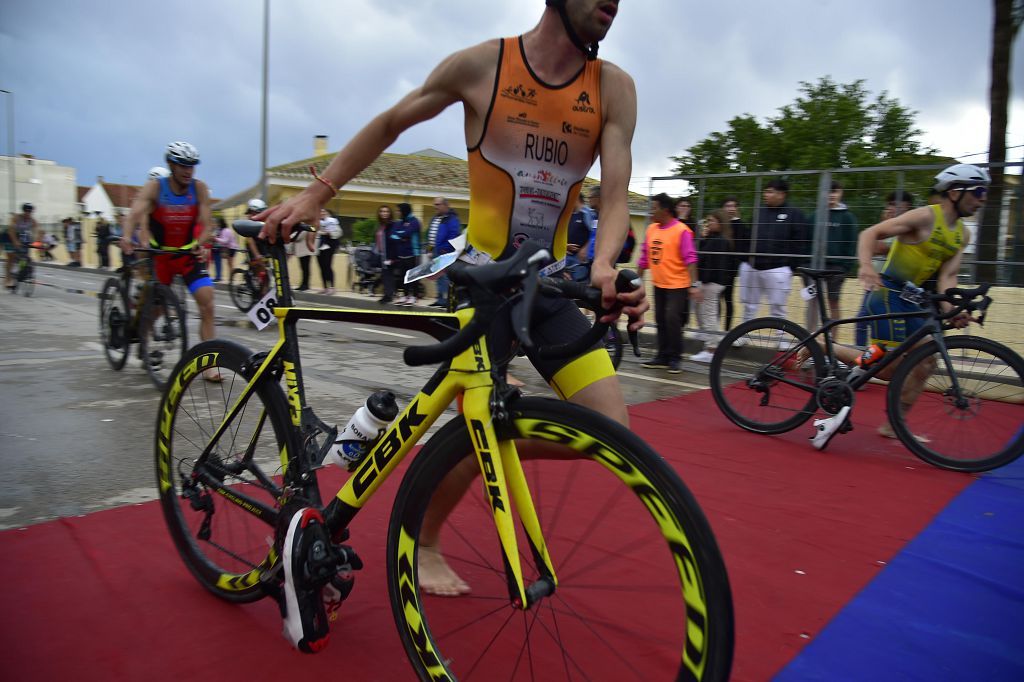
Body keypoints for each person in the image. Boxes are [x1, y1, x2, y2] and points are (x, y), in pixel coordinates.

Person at [256, 0, 646, 652]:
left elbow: (615, 188)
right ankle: (428, 539)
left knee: (609, 431)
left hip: (546, 285)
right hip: (483, 283)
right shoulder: (483, 65)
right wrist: (316, 194)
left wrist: (605, 263)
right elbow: (390, 122)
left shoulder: (614, 89)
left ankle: (475, 445)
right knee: (481, 416)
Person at [812, 164, 990, 446]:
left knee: (926, 361)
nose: (983, 199)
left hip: (913, 298)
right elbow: (869, 234)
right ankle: (825, 346)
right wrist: (867, 267)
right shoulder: (923, 217)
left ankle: (894, 425)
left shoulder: (962, 235)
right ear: (956, 192)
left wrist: (952, 310)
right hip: (887, 292)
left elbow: (947, 277)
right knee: (888, 368)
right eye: (979, 192)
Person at [121, 142, 219, 379]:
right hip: (161, 257)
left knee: (208, 304)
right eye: (183, 165)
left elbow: (208, 225)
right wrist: (126, 237)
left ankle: (208, 365)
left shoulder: (200, 189)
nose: (188, 171)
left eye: (192, 166)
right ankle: (142, 341)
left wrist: (202, 242)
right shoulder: (155, 188)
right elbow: (135, 214)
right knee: (155, 310)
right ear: (171, 165)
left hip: (187, 256)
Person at [735, 178, 809, 341]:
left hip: (778, 268)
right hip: (754, 266)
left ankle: (780, 338)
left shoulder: (794, 214)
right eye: (765, 191)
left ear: (781, 194)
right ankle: (743, 335)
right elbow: (748, 237)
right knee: (750, 305)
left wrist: (790, 266)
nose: (765, 195)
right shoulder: (759, 212)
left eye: (770, 191)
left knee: (778, 307)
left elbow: (800, 241)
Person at [638, 193, 700, 373]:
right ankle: (662, 356)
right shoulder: (651, 229)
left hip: (678, 285)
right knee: (660, 319)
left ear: (665, 210)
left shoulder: (682, 231)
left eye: (654, 207)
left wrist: (693, 285)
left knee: (672, 319)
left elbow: (691, 259)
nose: (651, 211)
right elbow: (644, 257)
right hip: (659, 283)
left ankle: (675, 357)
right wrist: (637, 280)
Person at [806, 181, 858, 334]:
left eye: (834, 191)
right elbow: (806, 240)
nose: (831, 195)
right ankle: (810, 337)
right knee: (813, 302)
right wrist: (805, 262)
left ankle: (833, 342)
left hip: (836, 268)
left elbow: (851, 243)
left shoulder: (848, 217)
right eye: (828, 192)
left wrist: (845, 267)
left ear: (840, 193)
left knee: (833, 302)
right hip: (814, 266)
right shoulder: (815, 215)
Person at [690, 209, 736, 363]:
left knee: (709, 314)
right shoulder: (717, 239)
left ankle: (711, 349)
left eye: (711, 221)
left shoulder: (719, 241)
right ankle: (709, 342)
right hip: (713, 281)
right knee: (704, 311)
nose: (708, 224)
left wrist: (703, 282)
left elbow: (708, 261)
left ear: (720, 223)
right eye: (708, 220)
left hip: (711, 282)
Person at [426, 197, 461, 306]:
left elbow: (453, 235)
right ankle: (440, 298)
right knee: (437, 276)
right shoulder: (434, 218)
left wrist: (444, 249)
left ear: (446, 205)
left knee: (444, 277)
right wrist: (429, 249)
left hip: (445, 252)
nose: (435, 207)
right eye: (434, 205)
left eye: (438, 204)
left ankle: (447, 300)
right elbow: (431, 235)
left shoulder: (452, 219)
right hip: (435, 252)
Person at [719, 196, 745, 330]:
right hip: (716, 268)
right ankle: (714, 329)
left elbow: (741, 246)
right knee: (715, 299)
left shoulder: (739, 225)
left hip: (730, 269)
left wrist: (736, 221)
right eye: (728, 206)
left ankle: (726, 330)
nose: (731, 209)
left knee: (728, 299)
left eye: (734, 206)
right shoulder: (718, 224)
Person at [391, 202, 421, 305]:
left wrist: (401, 234)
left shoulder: (414, 221)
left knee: (413, 276)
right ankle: (405, 295)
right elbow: (393, 235)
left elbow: (408, 233)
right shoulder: (398, 222)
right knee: (403, 276)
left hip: (413, 253)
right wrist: (401, 236)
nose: (397, 212)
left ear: (404, 210)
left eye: (399, 210)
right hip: (401, 254)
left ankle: (414, 296)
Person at [7, 203, 39, 290]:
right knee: (17, 258)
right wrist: (15, 241)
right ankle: (13, 278)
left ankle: (23, 272)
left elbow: (36, 231)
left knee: (25, 257)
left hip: (25, 239)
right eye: (26, 212)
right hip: (15, 237)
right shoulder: (17, 218)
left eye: (30, 212)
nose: (28, 214)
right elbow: (11, 230)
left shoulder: (32, 221)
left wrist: (36, 242)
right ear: (23, 211)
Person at [374, 205, 397, 303]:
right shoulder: (381, 225)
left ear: (390, 213)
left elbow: (394, 241)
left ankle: (388, 296)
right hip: (382, 254)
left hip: (389, 254)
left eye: (386, 211)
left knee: (388, 275)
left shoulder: (391, 225)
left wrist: (392, 258)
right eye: (382, 211)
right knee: (385, 275)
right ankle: (388, 294)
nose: (384, 213)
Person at [317, 208, 342, 294]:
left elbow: (338, 233)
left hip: (329, 246)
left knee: (327, 266)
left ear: (328, 214)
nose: (322, 213)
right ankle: (325, 287)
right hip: (318, 247)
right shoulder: (317, 223)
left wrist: (329, 233)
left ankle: (332, 287)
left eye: (324, 212)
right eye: (321, 212)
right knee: (321, 267)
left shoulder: (333, 222)